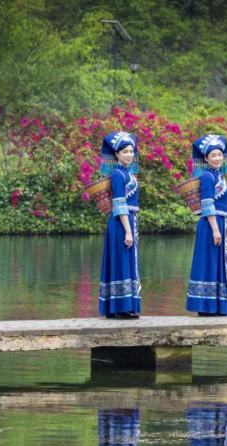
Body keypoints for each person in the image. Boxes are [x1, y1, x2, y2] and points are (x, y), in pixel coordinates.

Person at [185, 135, 227, 316]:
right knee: (209, 263)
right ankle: (206, 307)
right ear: (206, 158)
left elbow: (224, 205)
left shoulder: (220, 176)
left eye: (220, 155)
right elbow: (207, 204)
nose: (217, 158)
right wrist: (216, 230)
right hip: (210, 225)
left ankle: (218, 305)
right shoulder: (207, 176)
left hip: (221, 224)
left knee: (221, 264)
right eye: (213, 155)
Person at [98, 131, 141, 319]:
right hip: (121, 222)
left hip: (128, 220)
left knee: (126, 261)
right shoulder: (117, 174)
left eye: (131, 151)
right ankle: (121, 307)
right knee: (122, 262)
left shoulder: (127, 172)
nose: (129, 155)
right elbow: (119, 203)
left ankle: (119, 306)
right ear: (116, 154)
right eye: (125, 151)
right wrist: (128, 231)